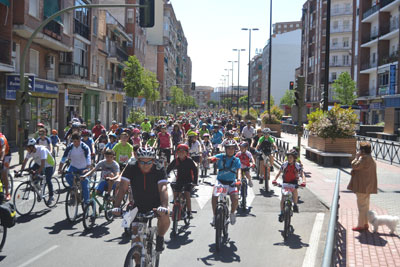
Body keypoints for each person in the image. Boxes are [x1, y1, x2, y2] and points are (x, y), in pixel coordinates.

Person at [112, 147, 170, 254]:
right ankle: (138, 262)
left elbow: (163, 188)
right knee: (135, 240)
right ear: (137, 160)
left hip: (156, 204)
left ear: (154, 160)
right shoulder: (131, 167)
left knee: (165, 215)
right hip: (137, 204)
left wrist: (164, 206)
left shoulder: (159, 168)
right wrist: (117, 206)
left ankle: (160, 237)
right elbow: (123, 187)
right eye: (142, 161)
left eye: (149, 161)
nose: (145, 164)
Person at [209, 140, 241, 226]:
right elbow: (210, 158)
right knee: (214, 196)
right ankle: (215, 216)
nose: (230, 150)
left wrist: (239, 180)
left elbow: (239, 171)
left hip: (231, 183)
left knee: (235, 199)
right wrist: (212, 159)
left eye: (232, 148)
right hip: (221, 182)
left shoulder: (236, 159)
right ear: (225, 149)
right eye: (228, 148)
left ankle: (232, 213)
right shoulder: (221, 156)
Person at [347, 141, 377, 231]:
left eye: (360, 150)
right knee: (365, 206)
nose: (358, 151)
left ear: (362, 151)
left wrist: (356, 157)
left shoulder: (363, 159)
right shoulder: (371, 158)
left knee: (361, 207)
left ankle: (361, 225)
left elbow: (354, 165)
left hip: (362, 187)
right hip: (367, 186)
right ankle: (365, 223)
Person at [272, 149, 306, 222]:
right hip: (285, 182)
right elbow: (279, 172)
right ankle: (281, 213)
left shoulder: (297, 165)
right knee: (283, 198)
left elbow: (302, 174)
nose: (289, 159)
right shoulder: (284, 164)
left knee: (295, 192)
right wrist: (275, 179)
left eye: (291, 157)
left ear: (294, 158)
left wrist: (303, 181)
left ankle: (295, 205)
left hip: (294, 182)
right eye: (288, 157)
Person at [58, 133, 91, 205]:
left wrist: (87, 169)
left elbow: (88, 158)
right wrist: (60, 169)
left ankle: (86, 202)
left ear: (80, 140)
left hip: (83, 167)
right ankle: (73, 190)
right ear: (72, 141)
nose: (76, 143)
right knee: (67, 176)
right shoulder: (70, 147)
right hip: (73, 166)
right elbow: (63, 158)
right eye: (74, 141)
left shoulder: (85, 147)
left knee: (85, 184)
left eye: (78, 141)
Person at [19, 139, 56, 205]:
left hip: (49, 165)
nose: (26, 150)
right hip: (38, 163)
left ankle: (51, 196)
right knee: (31, 174)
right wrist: (21, 171)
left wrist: (37, 173)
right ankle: (39, 189)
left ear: (31, 146)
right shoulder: (30, 151)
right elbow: (25, 161)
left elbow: (43, 165)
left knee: (48, 180)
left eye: (27, 148)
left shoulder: (42, 150)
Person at [166, 144, 198, 219]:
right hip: (179, 179)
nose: (181, 153)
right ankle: (175, 207)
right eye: (179, 152)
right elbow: (168, 168)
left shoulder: (189, 161)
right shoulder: (176, 160)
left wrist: (195, 181)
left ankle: (189, 212)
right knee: (175, 192)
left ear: (187, 153)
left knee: (187, 194)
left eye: (183, 152)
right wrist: (164, 177)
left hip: (188, 180)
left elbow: (195, 170)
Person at [0, 133, 11, 201]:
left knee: (4, 173)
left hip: (6, 155)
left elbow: (3, 150)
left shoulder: (1, 139)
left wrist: (1, 160)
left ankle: (7, 193)